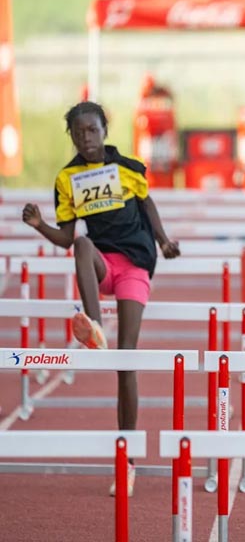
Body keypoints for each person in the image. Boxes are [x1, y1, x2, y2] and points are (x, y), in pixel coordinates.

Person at [21, 101, 180, 497]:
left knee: (125, 361)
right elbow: (66, 238)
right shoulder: (68, 178)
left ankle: (126, 460)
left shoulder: (129, 169)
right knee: (80, 242)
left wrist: (163, 241)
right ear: (71, 137)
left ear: (104, 131)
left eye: (92, 131)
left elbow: (148, 205)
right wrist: (40, 224)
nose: (86, 139)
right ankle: (93, 324)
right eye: (78, 134)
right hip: (100, 266)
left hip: (135, 265)